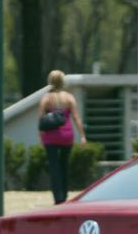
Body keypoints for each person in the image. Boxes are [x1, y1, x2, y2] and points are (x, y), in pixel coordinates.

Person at [39, 70, 87, 205]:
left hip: (51, 137)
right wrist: (82, 136)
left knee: (54, 168)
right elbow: (76, 118)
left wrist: (41, 137)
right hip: (67, 136)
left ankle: (58, 198)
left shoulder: (46, 98)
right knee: (64, 166)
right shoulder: (69, 98)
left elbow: (41, 120)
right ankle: (65, 195)